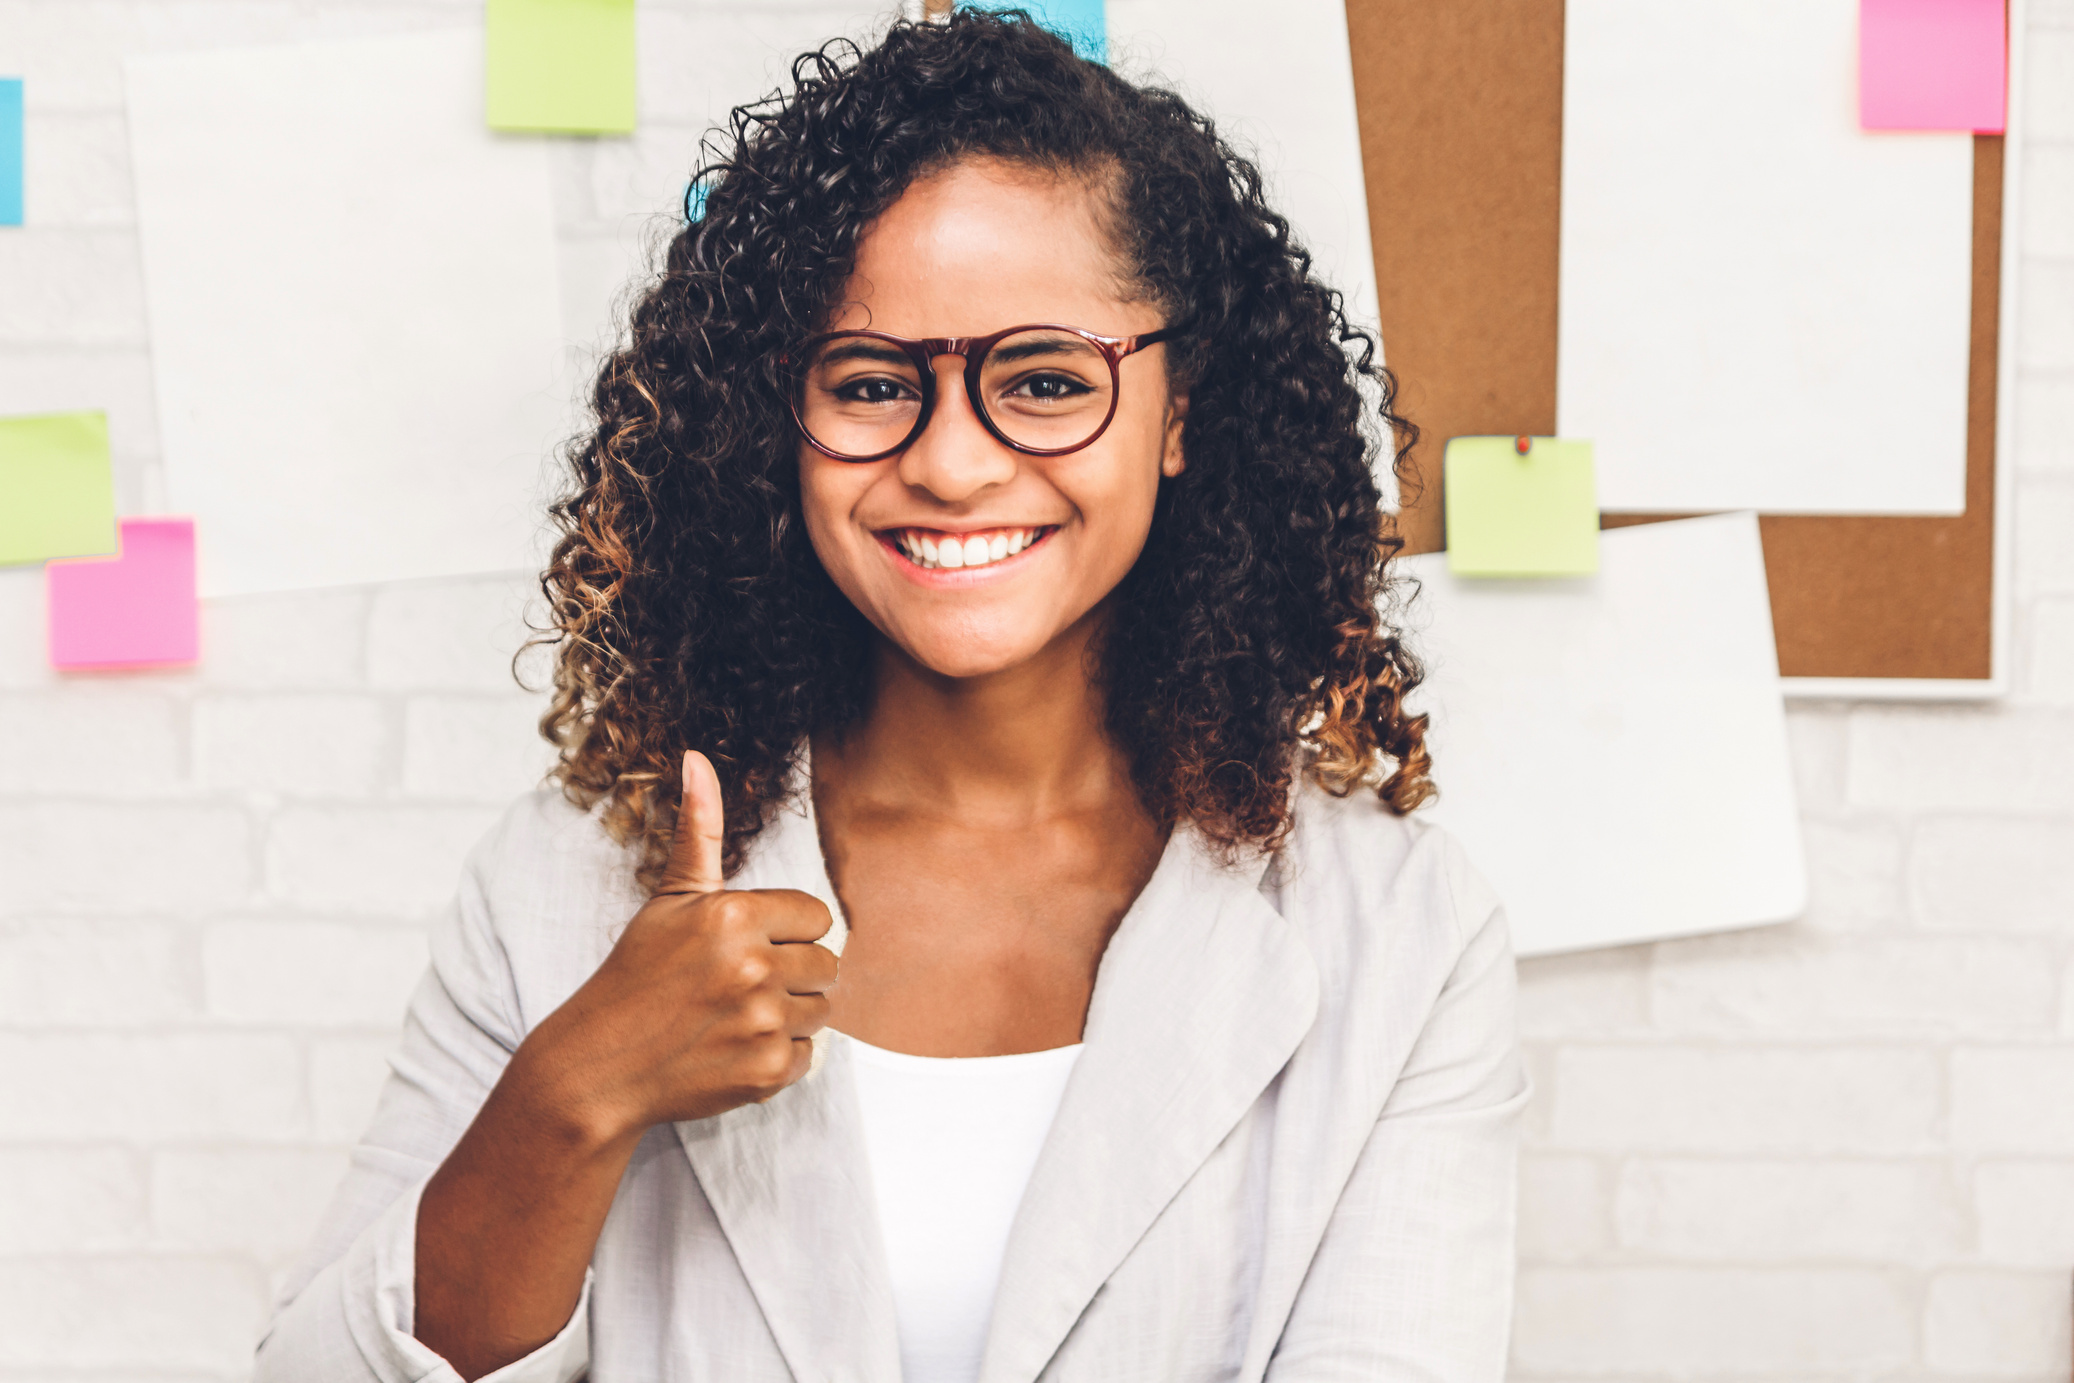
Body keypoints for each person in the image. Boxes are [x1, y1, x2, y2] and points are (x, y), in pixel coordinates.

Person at [255, 11, 1526, 1382]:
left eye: (1046, 381)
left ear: (1179, 416)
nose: (952, 465)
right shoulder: (559, 887)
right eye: (869, 385)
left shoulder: (1399, 936)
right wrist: (575, 1095)